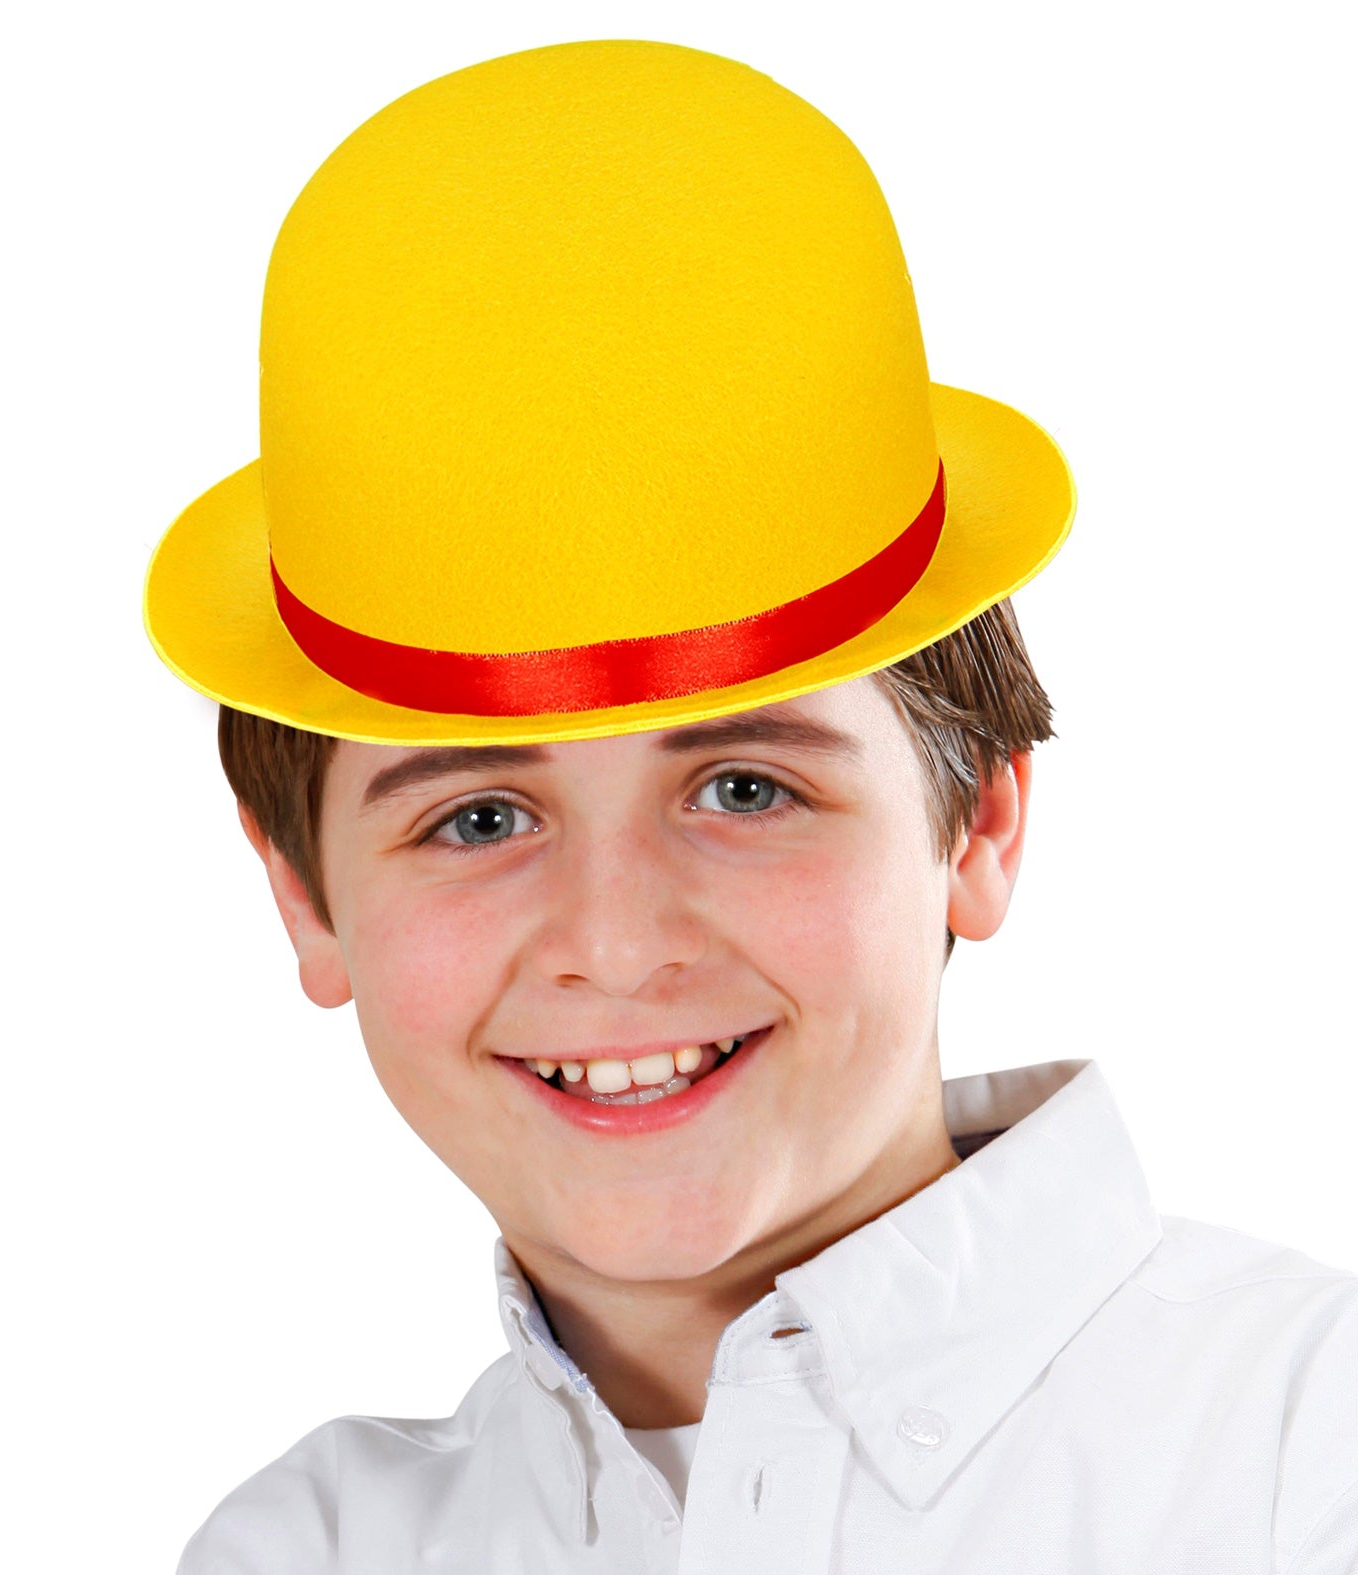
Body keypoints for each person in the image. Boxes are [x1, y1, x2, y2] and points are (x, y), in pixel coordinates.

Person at [145, 38, 1358, 1574]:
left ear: (975, 819)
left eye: (740, 787)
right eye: (476, 819)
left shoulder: (1305, 1455)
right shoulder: (310, 1549)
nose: (612, 942)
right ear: (306, 899)